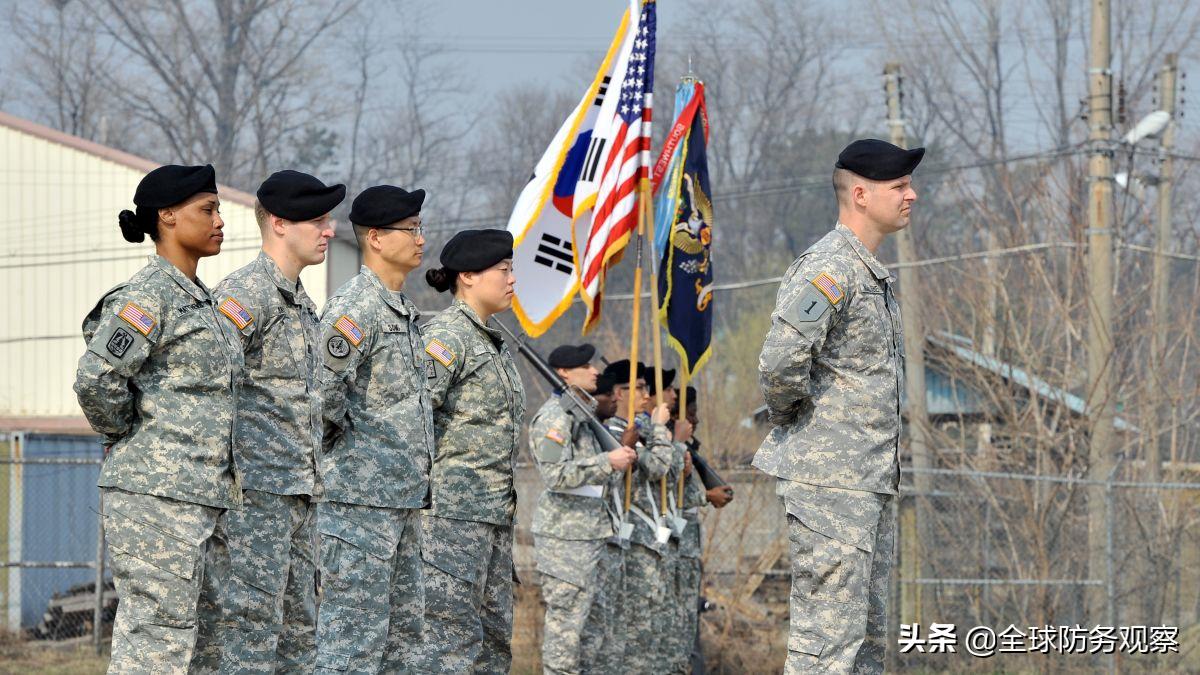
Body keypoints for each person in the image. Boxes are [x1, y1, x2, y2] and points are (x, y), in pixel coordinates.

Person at [754, 138, 920, 673]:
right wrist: (801, 424)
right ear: (860, 194)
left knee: (865, 643)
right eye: (899, 187)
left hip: (867, 482)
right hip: (831, 487)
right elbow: (781, 362)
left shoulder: (867, 271)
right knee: (828, 641)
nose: (911, 195)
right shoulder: (830, 269)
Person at [73, 164, 243, 672]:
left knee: (206, 644)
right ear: (167, 217)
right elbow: (95, 380)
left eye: (218, 210)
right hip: (156, 497)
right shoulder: (148, 296)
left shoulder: (204, 302)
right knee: (157, 641)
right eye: (206, 210)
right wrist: (130, 435)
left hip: (204, 495)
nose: (219, 221)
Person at [189, 170, 344, 673]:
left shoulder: (300, 304)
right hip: (253, 501)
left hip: (298, 497)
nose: (330, 230)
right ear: (279, 223)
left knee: (299, 637)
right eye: (317, 219)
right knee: (247, 634)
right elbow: (205, 385)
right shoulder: (244, 297)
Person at [314, 185, 435, 673]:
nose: (421, 239)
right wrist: (356, 459)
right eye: (411, 230)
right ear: (377, 239)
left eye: (420, 228)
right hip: (359, 507)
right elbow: (320, 399)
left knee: (403, 645)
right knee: (351, 647)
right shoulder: (354, 309)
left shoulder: (402, 313)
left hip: (402, 503)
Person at [418, 229, 527, 673]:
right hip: (451, 520)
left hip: (493, 518)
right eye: (502, 270)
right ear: (467, 276)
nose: (511, 280)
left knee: (494, 645)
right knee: (450, 645)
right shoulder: (446, 339)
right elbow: (415, 419)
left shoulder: (491, 342)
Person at [529, 345, 637, 674]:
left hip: (590, 536)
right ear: (563, 372)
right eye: (585, 365)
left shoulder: (582, 416)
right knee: (566, 636)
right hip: (566, 541)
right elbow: (555, 474)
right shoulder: (555, 418)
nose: (595, 372)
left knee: (592, 636)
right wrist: (609, 461)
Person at [602, 360, 680, 674]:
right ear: (618, 394)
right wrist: (661, 428)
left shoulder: (640, 430)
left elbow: (671, 474)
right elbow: (659, 467)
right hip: (632, 541)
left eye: (646, 388)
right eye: (638, 388)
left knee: (654, 631)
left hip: (650, 540)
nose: (646, 396)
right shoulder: (612, 433)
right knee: (635, 635)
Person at [668, 387, 733, 673]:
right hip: (673, 548)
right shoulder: (668, 449)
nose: (695, 420)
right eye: (690, 414)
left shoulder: (685, 449)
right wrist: (707, 496)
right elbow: (664, 494)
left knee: (689, 629)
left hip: (688, 549)